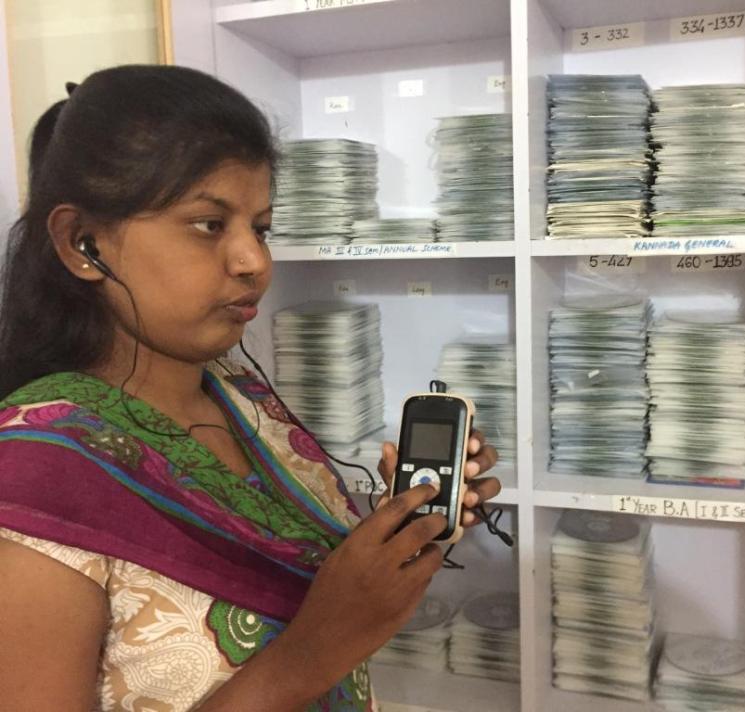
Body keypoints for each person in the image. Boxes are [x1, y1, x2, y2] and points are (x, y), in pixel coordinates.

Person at [0, 64, 502, 711]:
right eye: (210, 224)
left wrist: (397, 530)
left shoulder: (242, 398)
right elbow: (316, 636)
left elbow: (308, 581)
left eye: (260, 228)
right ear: (82, 242)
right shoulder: (34, 480)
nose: (254, 262)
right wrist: (313, 652)